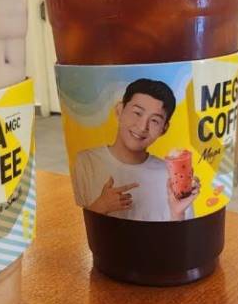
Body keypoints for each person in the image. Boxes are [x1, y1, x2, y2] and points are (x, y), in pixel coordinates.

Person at [73, 79, 199, 221]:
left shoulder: (170, 175)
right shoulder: (86, 161)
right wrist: (101, 206)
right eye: (137, 113)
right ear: (119, 110)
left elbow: (182, 232)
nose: (142, 126)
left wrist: (177, 213)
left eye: (154, 120)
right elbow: (75, 224)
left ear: (164, 129)